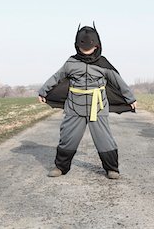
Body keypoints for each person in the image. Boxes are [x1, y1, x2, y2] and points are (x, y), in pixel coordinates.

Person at [38, 23, 137, 179]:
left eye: (89, 48)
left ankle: (112, 169)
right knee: (68, 137)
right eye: (82, 47)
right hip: (74, 106)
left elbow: (118, 81)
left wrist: (130, 98)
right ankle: (61, 167)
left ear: (97, 46)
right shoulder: (70, 63)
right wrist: (43, 91)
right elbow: (56, 77)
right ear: (77, 46)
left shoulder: (103, 64)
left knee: (104, 139)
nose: (86, 51)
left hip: (98, 106)